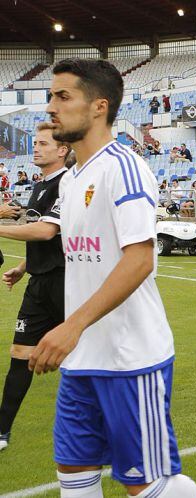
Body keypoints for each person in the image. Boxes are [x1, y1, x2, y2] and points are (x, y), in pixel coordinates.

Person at [0, 58, 196, 496]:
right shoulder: (72, 180)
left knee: (146, 484)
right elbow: (79, 251)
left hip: (130, 359)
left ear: (99, 107)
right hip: (83, 360)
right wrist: (25, 266)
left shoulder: (123, 168)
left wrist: (70, 326)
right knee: (72, 471)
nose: (50, 107)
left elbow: (139, 259)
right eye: (50, 96)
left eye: (63, 96)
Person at [0, 123, 68, 452]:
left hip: (66, 281)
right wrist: (23, 268)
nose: (36, 148)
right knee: (20, 356)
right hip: (39, 283)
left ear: (62, 150)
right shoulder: (40, 186)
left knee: (83, 358)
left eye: (43, 143)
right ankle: (2, 432)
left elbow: (46, 233)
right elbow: (39, 233)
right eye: (36, 142)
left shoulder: (68, 182)